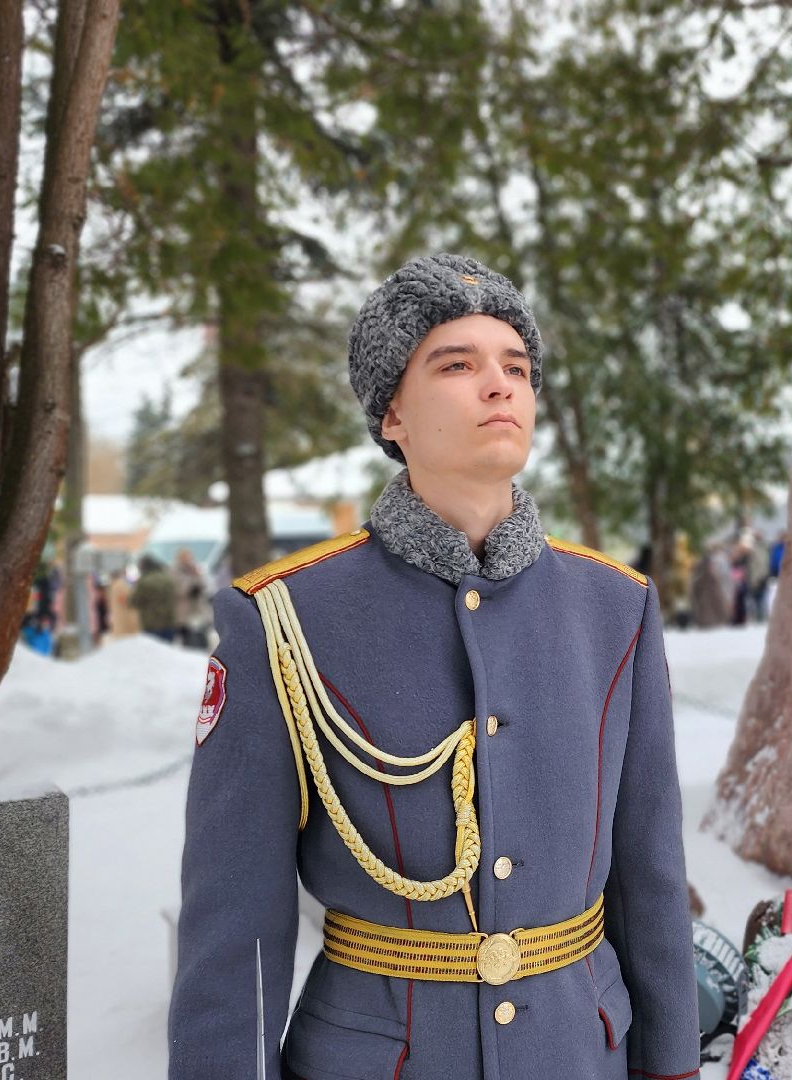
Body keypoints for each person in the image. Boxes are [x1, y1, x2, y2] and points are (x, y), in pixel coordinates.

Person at [169, 254, 698, 1080]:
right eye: (457, 364)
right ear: (391, 416)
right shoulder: (285, 619)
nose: (500, 385)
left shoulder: (614, 607)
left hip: (579, 1054)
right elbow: (235, 925)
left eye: (516, 367)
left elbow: (649, 875)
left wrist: (670, 1066)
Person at [131, 556, 179, 643]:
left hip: (151, 622)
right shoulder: (167, 578)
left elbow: (134, 601)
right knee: (167, 652)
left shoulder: (144, 580)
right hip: (168, 621)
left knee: (153, 652)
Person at [173, 547, 211, 648]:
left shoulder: (194, 569)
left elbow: (204, 585)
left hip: (198, 610)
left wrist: (197, 578)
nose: (189, 559)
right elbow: (178, 588)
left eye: (189, 557)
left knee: (200, 638)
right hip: (184, 611)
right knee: (188, 641)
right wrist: (191, 586)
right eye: (186, 557)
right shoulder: (175, 570)